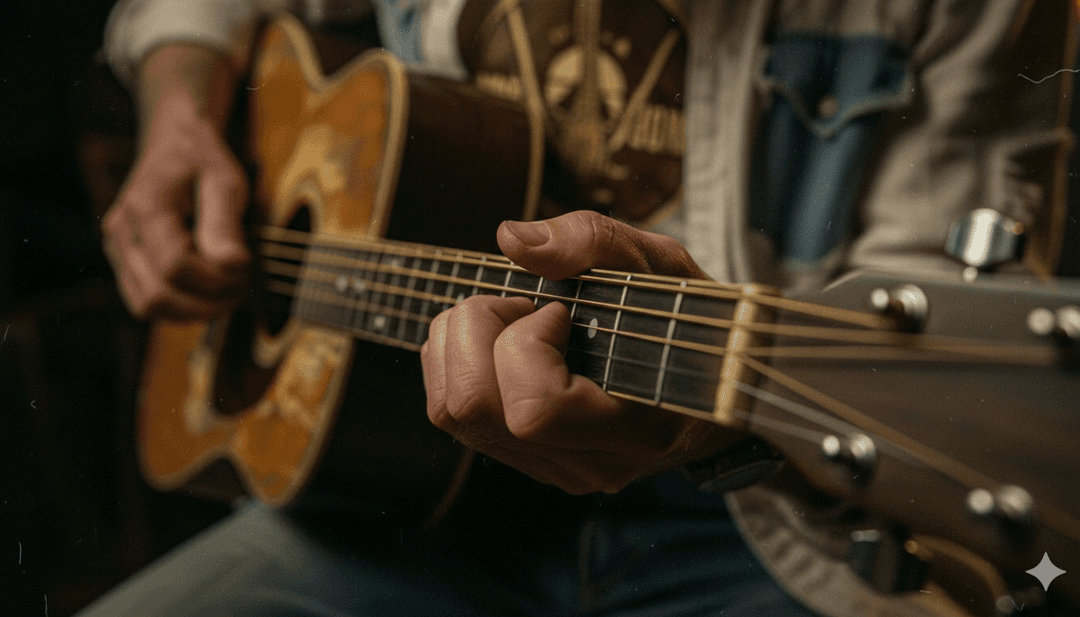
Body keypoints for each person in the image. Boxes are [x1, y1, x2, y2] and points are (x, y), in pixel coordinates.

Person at [87, 1, 1076, 616]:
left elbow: (899, 363)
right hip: (403, 506)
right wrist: (180, 115)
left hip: (765, 539)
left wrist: (705, 426)